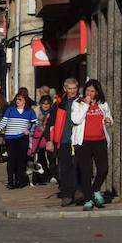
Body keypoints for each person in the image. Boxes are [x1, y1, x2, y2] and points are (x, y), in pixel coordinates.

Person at [70, 78, 113, 210]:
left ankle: (95, 190)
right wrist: (86, 105)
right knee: (86, 171)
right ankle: (87, 199)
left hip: (100, 141)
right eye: (87, 90)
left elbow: (110, 118)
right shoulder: (78, 103)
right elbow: (76, 120)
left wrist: (109, 120)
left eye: (92, 91)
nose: (89, 93)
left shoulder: (102, 104)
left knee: (103, 169)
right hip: (84, 142)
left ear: (97, 92)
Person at [0, 91, 38, 189]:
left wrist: (29, 130)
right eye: (16, 99)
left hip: (23, 138)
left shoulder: (30, 111)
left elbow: (35, 123)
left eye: (20, 99)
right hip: (10, 138)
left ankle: (20, 180)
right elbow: (3, 123)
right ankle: (11, 181)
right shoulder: (10, 110)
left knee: (21, 160)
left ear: (25, 101)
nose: (17, 101)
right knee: (11, 160)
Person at [47, 77, 80, 206]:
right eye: (69, 88)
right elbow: (50, 123)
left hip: (79, 140)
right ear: (65, 89)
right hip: (64, 140)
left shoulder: (82, 102)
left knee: (79, 167)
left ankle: (78, 190)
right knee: (65, 168)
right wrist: (49, 140)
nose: (72, 91)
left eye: (74, 88)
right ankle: (67, 194)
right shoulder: (59, 104)